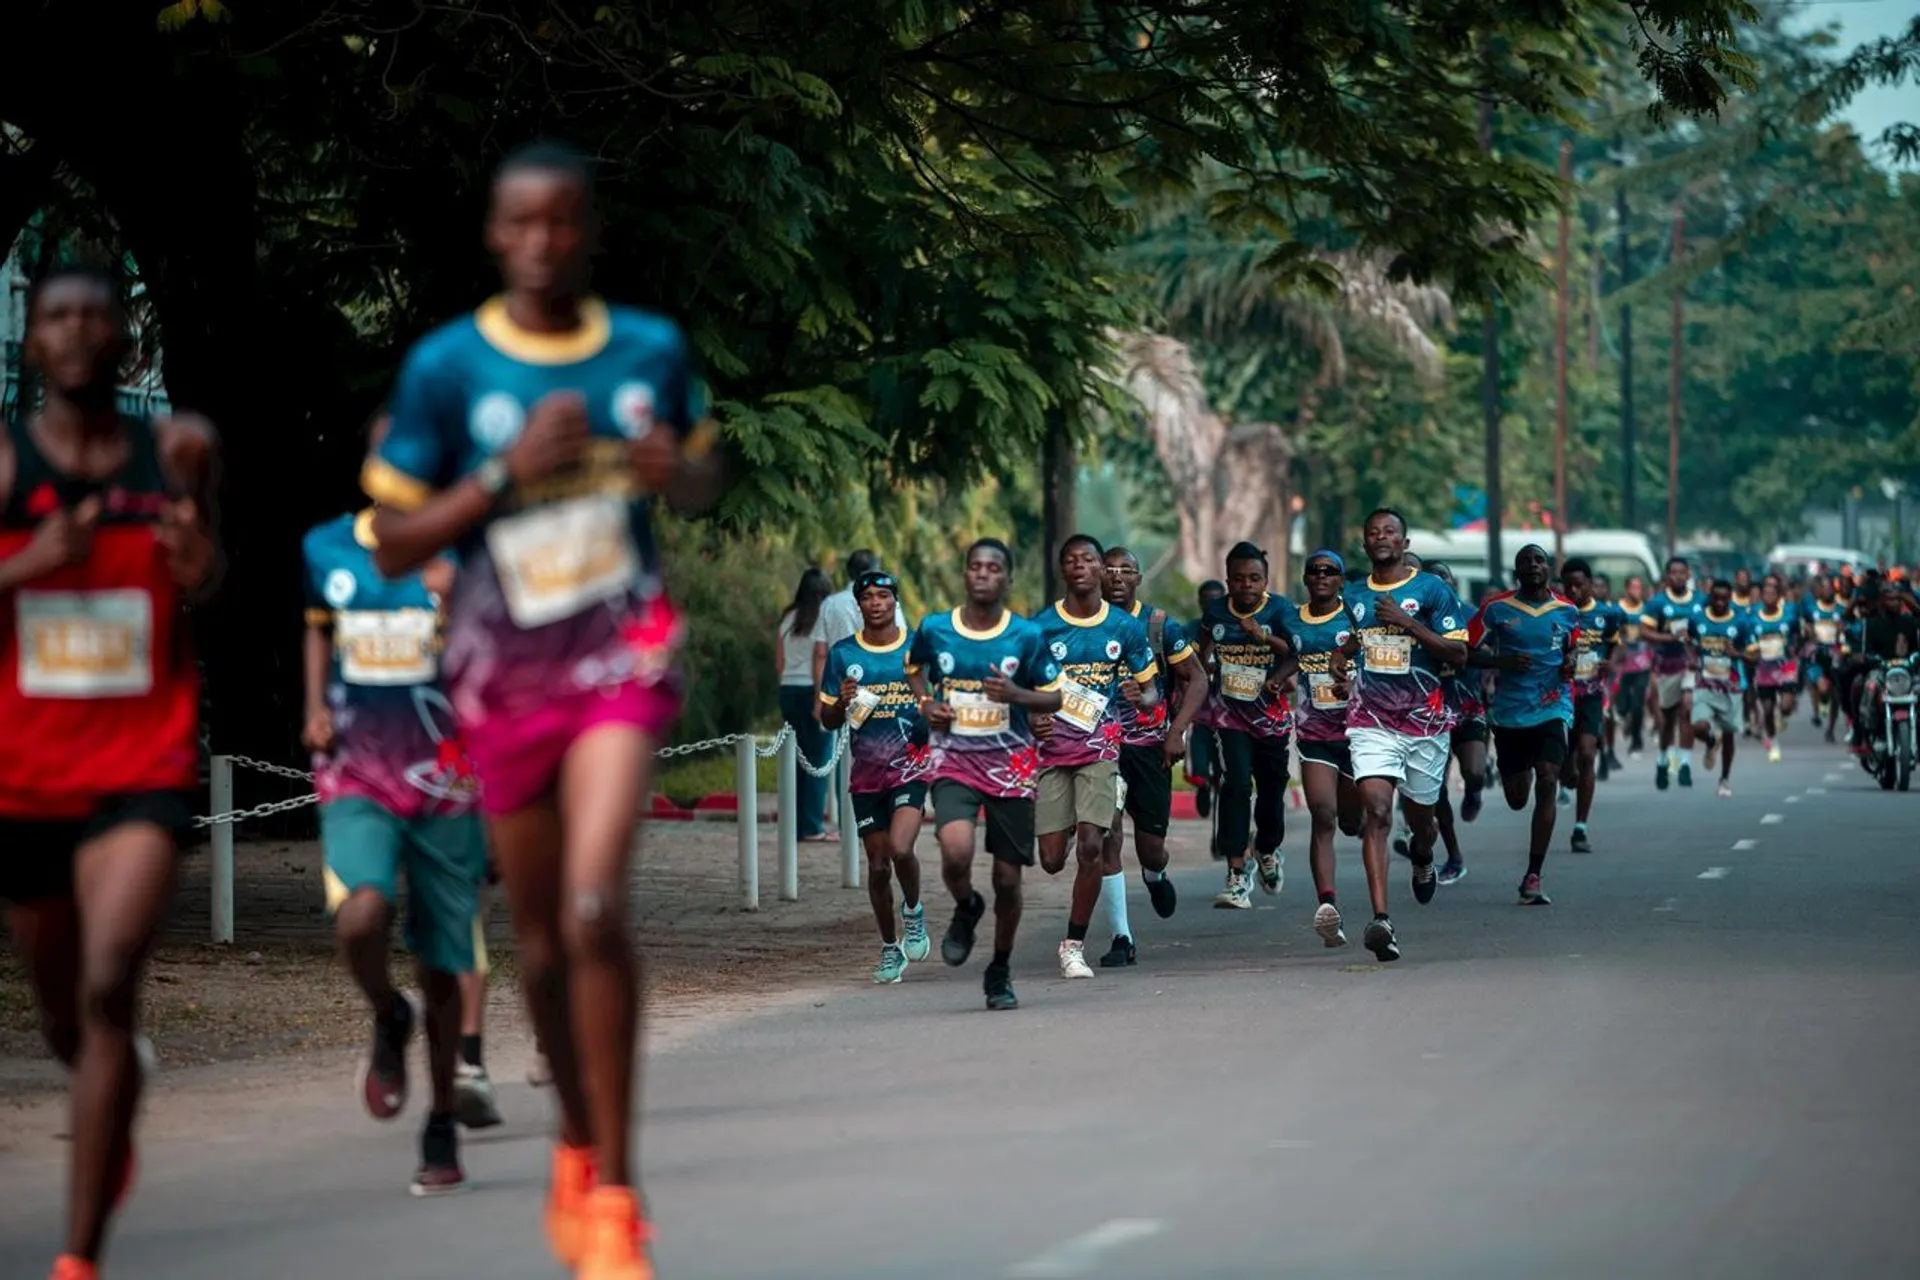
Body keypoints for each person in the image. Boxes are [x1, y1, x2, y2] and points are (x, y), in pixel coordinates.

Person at [362, 141, 725, 1280]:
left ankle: (616, 1193)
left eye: (565, 221)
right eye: (523, 222)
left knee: (588, 900)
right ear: (494, 233)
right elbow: (391, 538)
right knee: (537, 942)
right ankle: (575, 1138)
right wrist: (504, 474)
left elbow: (709, 477)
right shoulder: (447, 369)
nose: (544, 241)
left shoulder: (648, 350)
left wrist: (677, 471)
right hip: (501, 675)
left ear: (591, 231)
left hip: (618, 656)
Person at [0, 264, 221, 1280]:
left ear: (125, 340)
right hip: (26, 776)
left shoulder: (177, 449)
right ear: (32, 343)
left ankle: (77, 1256)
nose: (80, 331)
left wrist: (198, 565)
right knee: (63, 1013)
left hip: (142, 760)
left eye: (98, 314)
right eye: (58, 316)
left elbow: (210, 572)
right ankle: (111, 1092)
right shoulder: (5, 465)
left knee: (106, 977)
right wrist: (29, 561)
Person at [300, 489, 488, 1194]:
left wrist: (458, 601)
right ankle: (387, 1012)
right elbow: (318, 626)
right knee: (362, 913)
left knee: (444, 964)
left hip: (448, 781)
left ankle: (440, 1122)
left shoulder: (465, 552)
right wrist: (315, 705)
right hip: (359, 774)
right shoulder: (328, 548)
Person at [905, 538, 1062, 1010]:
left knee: (1009, 881)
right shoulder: (935, 628)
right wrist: (927, 703)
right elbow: (914, 668)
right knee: (955, 851)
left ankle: (1000, 969)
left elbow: (1053, 697)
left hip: (1011, 767)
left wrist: (1016, 694)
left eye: (993, 568)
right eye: (975, 566)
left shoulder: (1026, 636)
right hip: (954, 759)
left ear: (1007, 579)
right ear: (965, 574)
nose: (983, 574)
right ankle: (966, 905)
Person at [1341, 510, 1470, 961]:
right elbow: (1353, 642)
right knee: (1376, 810)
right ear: (1364, 544)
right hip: (1371, 720)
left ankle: (1422, 855)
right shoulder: (1353, 595)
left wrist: (1408, 622)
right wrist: (1342, 661)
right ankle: (1381, 920)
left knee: (1422, 822)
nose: (1381, 537)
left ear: (1404, 540)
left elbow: (1459, 651)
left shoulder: (1433, 591)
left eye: (1389, 531)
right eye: (1373, 532)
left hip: (1424, 724)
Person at [1029, 535, 1159, 978]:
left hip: (1101, 750)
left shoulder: (1123, 627)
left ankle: (1073, 945)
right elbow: (1020, 689)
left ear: (1102, 569)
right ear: (1062, 570)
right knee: (1050, 859)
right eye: (1072, 560)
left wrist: (1141, 695)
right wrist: (1032, 716)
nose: (1081, 566)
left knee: (1092, 846)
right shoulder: (1042, 627)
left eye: (1089, 560)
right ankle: (1067, 819)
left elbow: (1152, 688)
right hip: (1053, 754)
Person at [817, 569, 933, 982]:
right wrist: (841, 703)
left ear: (895, 601)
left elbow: (939, 702)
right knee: (879, 865)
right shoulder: (844, 655)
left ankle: (914, 912)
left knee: (901, 849)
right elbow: (827, 719)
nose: (877, 603)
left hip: (910, 769)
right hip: (866, 776)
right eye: (868, 597)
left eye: (884, 596)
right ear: (859, 604)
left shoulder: (917, 648)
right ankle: (889, 948)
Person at [1094, 546, 1205, 965]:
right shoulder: (1085, 625)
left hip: (1149, 747)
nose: (1117, 577)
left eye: (1127, 571)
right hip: (1100, 747)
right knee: (1108, 835)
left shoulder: (1158, 625)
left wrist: (1177, 731)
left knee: (1150, 848)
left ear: (1139, 579)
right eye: (1110, 569)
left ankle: (1155, 874)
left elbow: (1197, 679)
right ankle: (1122, 937)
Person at [1467, 547, 1577, 904]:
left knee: (1548, 778)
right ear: (1516, 570)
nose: (1532, 565)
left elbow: (1570, 651)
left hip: (1553, 707)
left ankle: (1533, 874)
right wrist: (1502, 660)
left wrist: (1572, 663)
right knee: (1517, 798)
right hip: (1511, 714)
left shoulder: (1568, 610)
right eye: (1525, 561)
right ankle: (1515, 772)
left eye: (1538, 560)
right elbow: (1463, 651)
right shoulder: (1497, 609)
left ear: (1549, 568)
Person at [1193, 542, 1296, 910]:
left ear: (1265, 581)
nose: (1246, 586)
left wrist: (1264, 639)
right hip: (1230, 716)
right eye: (1238, 579)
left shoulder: (1281, 609)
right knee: (1235, 785)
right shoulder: (1216, 614)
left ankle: (1267, 849)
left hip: (1271, 717)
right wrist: (1201, 668)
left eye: (1254, 579)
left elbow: (1298, 652)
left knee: (1272, 788)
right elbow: (1200, 656)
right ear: (1228, 581)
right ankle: (1236, 873)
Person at [1290, 550, 1363, 946]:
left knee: (1352, 822)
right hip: (1314, 732)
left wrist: (1355, 686)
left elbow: (1379, 661)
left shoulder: (1356, 617)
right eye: (1314, 571)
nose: (1321, 577)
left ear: (1340, 580)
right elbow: (1290, 657)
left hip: (1358, 733)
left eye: (1329, 571)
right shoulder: (1294, 619)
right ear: (1305, 578)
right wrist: (1274, 678)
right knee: (1323, 815)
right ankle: (1327, 907)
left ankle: (1369, 825)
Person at [1560, 559, 1619, 854]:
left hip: (1591, 695)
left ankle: (1580, 826)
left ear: (1590, 583)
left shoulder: (1605, 614)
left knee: (1587, 754)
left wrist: (1610, 663)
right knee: (1565, 767)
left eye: (1580, 584)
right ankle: (1565, 771)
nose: (1574, 590)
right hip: (1559, 697)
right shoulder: (1557, 612)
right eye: (1568, 585)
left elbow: (1614, 645)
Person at [777, 566, 836, 841]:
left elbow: (779, 660)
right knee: (818, 759)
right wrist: (820, 700)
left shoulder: (788, 617)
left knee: (796, 759)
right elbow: (820, 659)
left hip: (788, 689)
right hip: (811, 691)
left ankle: (795, 823)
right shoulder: (823, 619)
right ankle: (811, 826)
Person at [1640, 557, 1701, 790]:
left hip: (1690, 664)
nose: (1678, 576)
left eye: (1682, 572)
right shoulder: (1657, 603)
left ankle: (1685, 764)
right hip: (1666, 664)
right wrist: (1671, 637)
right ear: (1667, 576)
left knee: (1687, 708)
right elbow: (1645, 632)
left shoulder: (1699, 601)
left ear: (1688, 574)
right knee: (1668, 721)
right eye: (1673, 572)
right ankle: (1663, 760)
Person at [1690, 580, 1752, 798]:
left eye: (1724, 599)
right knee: (1697, 726)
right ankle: (1709, 741)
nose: (1719, 602)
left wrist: (1738, 654)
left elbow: (1755, 652)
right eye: (1715, 598)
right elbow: (1690, 642)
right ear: (1710, 597)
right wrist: (1691, 658)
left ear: (1730, 598)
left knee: (1729, 735)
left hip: (1731, 686)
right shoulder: (1698, 619)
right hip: (1704, 683)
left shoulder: (1740, 622)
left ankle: (1724, 778)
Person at [813, 549, 908, 681]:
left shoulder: (829, 605)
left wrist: (819, 696)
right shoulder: (887, 601)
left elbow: (820, 654)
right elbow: (901, 642)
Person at [1186, 578, 1227, 821]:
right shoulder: (1190, 629)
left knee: (1226, 770)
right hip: (1200, 713)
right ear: (1200, 602)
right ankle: (1202, 788)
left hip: (1228, 713)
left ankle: (1224, 822)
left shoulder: (1233, 628)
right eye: (1207, 599)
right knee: (1200, 764)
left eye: (1217, 598)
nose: (1211, 603)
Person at [1749, 575, 1798, 762]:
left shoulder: (1789, 614)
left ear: (1779, 597)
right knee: (1767, 709)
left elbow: (1797, 634)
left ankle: (1783, 713)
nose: (1769, 597)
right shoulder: (1753, 618)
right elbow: (1748, 640)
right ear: (1761, 596)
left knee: (1785, 706)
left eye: (1773, 594)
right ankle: (1772, 741)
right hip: (1764, 668)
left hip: (1785, 665)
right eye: (1766, 594)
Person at [1612, 574, 1654, 758]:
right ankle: (1625, 718)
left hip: (1642, 662)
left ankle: (1637, 741)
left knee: (1638, 703)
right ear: (1627, 589)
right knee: (1622, 706)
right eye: (1634, 587)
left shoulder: (1646, 610)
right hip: (1622, 662)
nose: (1637, 591)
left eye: (1639, 587)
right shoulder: (1617, 609)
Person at [1800, 574, 1845, 740]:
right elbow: (1806, 626)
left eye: (1830, 588)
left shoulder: (1840, 610)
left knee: (1835, 694)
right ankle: (1819, 706)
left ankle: (1831, 729)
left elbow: (1844, 629)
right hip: (1817, 654)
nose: (1827, 591)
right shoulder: (1812, 608)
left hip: (1835, 655)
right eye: (1824, 588)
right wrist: (1808, 633)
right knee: (1822, 688)